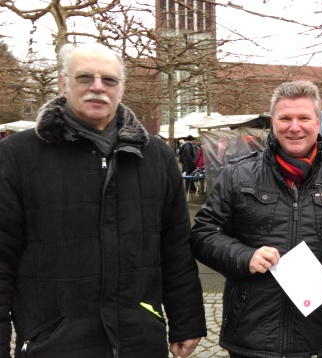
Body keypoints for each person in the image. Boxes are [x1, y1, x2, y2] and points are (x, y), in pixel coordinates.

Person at [0, 42, 206, 358]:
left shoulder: (157, 157)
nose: (98, 87)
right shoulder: (17, 156)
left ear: (121, 90)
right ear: (63, 83)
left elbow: (175, 246)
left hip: (139, 340)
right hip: (53, 343)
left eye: (109, 80)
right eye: (85, 77)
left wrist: (186, 320)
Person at [190, 80, 322, 358]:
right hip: (250, 333)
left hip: (315, 333)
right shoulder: (238, 175)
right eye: (285, 118)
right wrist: (245, 256)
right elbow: (203, 234)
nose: (295, 127)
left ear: (317, 122)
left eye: (304, 117)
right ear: (273, 122)